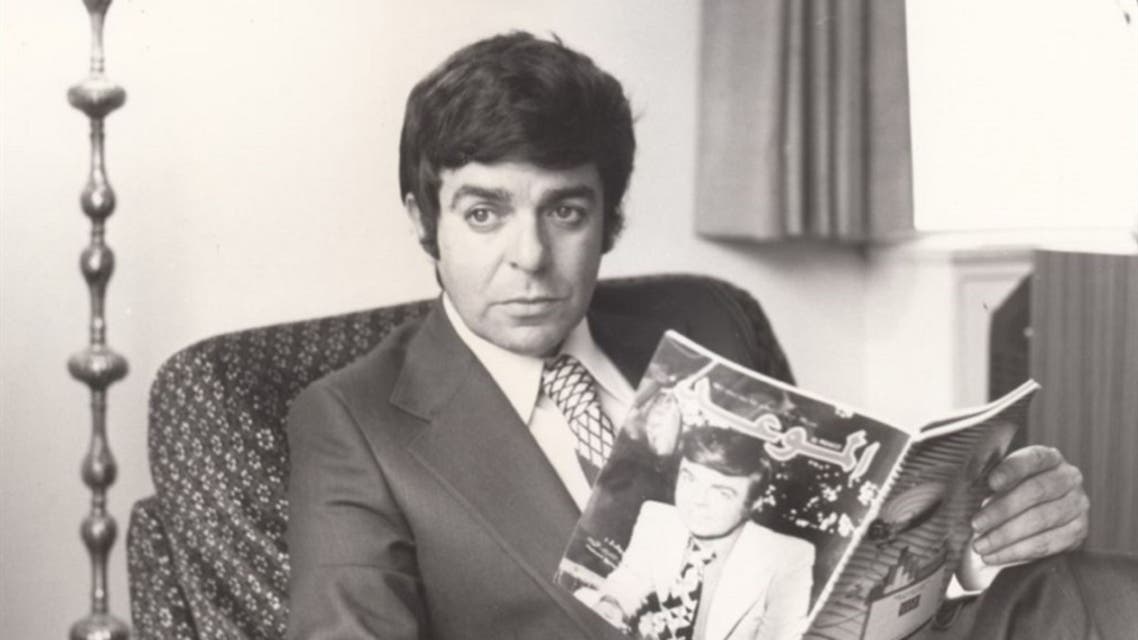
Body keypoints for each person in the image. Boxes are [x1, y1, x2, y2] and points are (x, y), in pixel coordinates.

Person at [285, 31, 1093, 640]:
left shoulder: (709, 323)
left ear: (609, 221)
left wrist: (982, 544)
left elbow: (830, 569)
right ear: (424, 220)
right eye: (484, 212)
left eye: (565, 210)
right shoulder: (354, 422)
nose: (528, 256)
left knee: (1094, 591)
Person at [594, 426, 813, 640]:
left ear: (754, 503)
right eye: (689, 478)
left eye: (722, 493)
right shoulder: (658, 518)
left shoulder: (787, 558)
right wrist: (612, 605)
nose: (697, 500)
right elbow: (631, 580)